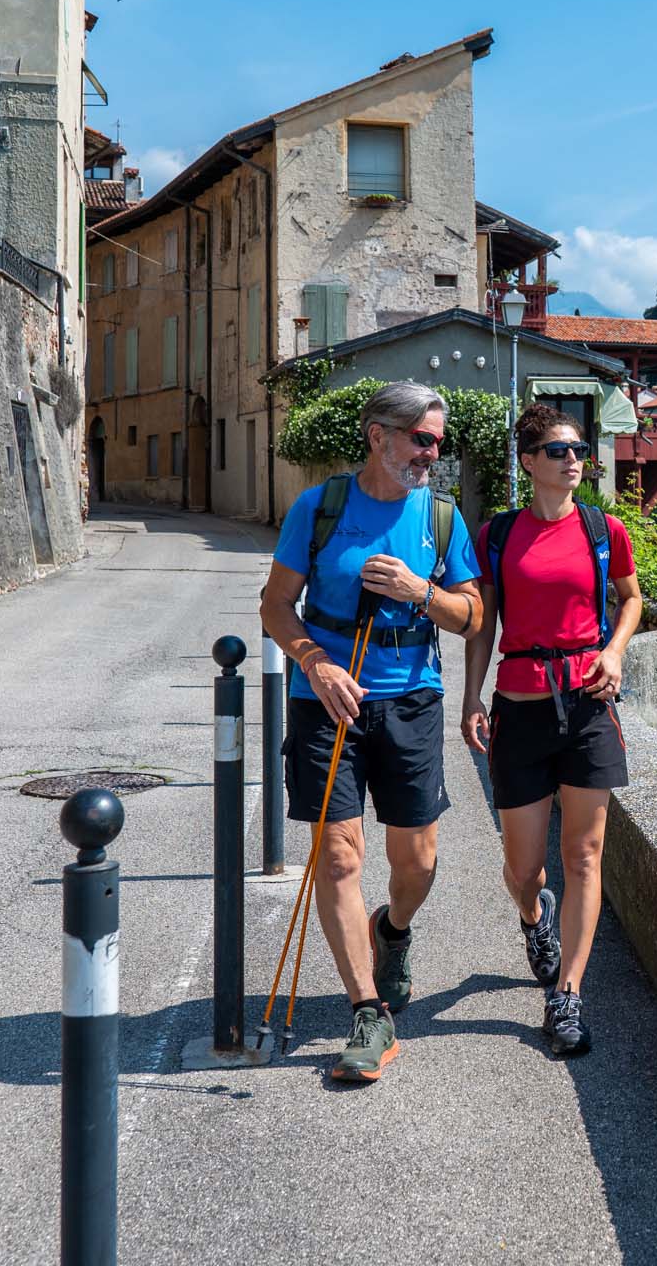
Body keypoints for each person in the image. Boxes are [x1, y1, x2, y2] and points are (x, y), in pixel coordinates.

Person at [260, 381, 484, 1082]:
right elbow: (275, 606)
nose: (431, 452)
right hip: (327, 701)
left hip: (412, 698)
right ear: (377, 435)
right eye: (421, 438)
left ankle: (391, 932)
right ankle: (367, 1015)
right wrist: (313, 663)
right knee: (339, 859)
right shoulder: (319, 509)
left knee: (415, 862)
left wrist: (421, 590)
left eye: (438, 441)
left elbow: (474, 617)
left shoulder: (443, 519)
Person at [462, 405, 642, 1057]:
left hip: (590, 708)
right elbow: (484, 621)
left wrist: (615, 650)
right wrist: (471, 697)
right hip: (522, 707)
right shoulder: (498, 536)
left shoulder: (604, 529)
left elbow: (631, 597)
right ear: (530, 462)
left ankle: (565, 995)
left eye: (580, 450)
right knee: (524, 868)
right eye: (560, 450)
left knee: (584, 856)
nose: (574, 460)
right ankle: (535, 920)